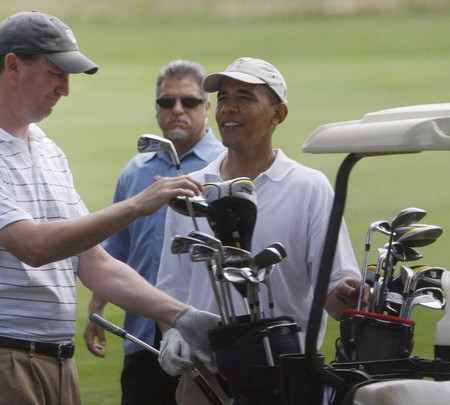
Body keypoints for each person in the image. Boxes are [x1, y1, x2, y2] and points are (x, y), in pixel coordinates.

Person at [0, 11, 219, 405]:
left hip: (56, 361)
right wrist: (138, 205)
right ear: (13, 65)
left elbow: (94, 264)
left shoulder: (49, 151)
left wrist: (182, 316)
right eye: (55, 73)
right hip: (9, 358)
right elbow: (31, 246)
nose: (65, 88)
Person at [155, 57, 370, 404]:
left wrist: (350, 295)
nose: (228, 107)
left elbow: (334, 295)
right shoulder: (191, 190)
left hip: (285, 374)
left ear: (278, 114)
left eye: (245, 97)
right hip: (205, 374)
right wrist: (172, 335)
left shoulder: (309, 187)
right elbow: (171, 291)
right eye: (223, 97)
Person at [83, 60, 225, 404]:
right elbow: (116, 247)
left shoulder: (223, 166)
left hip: (203, 334)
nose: (177, 109)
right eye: (167, 102)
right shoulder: (135, 171)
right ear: (157, 108)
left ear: (206, 108)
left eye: (189, 102)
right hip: (142, 333)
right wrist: (98, 304)